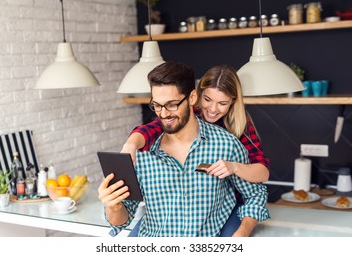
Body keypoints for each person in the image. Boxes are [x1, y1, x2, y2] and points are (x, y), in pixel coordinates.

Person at [98, 61, 270, 237]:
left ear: (192, 98)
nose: (163, 114)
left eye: (172, 104)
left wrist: (242, 232)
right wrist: (114, 206)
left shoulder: (228, 143)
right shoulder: (141, 153)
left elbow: (257, 191)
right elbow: (121, 219)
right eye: (157, 105)